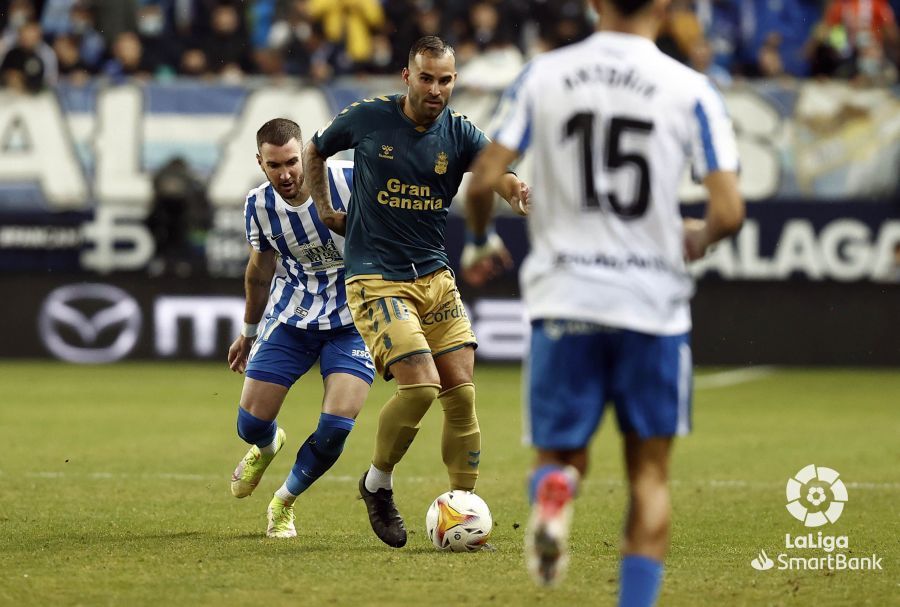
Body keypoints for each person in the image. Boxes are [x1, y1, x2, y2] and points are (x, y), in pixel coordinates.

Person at [466, 0, 745, 602]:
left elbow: (485, 177)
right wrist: (697, 236)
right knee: (648, 474)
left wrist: (480, 237)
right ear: (666, 7)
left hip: (565, 297)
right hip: (652, 304)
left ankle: (553, 489)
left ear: (594, 3)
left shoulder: (545, 74)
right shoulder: (691, 89)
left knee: (560, 455)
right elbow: (728, 211)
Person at [302, 35, 529, 549]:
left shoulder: (458, 132)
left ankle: (464, 513)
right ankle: (376, 482)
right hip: (375, 275)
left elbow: (498, 171)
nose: (436, 89)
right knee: (422, 388)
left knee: (462, 395)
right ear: (407, 76)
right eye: (426, 78)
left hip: (434, 275)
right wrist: (322, 208)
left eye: (445, 80)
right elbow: (315, 149)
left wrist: (516, 192)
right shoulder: (368, 117)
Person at [227, 118, 375, 539]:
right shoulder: (258, 206)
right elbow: (260, 272)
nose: (286, 174)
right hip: (291, 318)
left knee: (335, 426)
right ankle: (269, 444)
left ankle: (284, 502)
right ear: (261, 163)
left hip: (353, 322)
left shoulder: (351, 181)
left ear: (308, 154)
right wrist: (249, 331)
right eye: (275, 165)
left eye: (293, 161)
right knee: (249, 425)